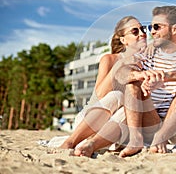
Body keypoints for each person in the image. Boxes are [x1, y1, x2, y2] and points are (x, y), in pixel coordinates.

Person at [75, 5, 176, 158]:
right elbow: (121, 74)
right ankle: (127, 141)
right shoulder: (147, 54)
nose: (151, 31)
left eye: (157, 27)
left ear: (174, 29)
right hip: (152, 124)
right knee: (132, 83)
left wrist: (167, 76)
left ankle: (162, 136)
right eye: (150, 27)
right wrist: (141, 76)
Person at [58, 16, 148, 154]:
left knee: (132, 108)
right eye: (135, 31)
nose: (142, 33)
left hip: (116, 129)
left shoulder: (146, 65)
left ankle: (91, 146)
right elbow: (100, 95)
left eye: (142, 29)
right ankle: (70, 142)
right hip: (90, 122)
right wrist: (121, 64)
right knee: (118, 95)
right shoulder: (109, 59)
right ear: (123, 40)